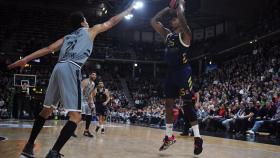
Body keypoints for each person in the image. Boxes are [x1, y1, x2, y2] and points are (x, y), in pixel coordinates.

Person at [9, 2, 136, 157]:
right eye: (86, 20)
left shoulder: (67, 37)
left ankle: (29, 146)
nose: (88, 22)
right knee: (76, 117)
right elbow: (111, 22)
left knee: (46, 110)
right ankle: (54, 152)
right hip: (71, 67)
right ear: (83, 22)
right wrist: (128, 10)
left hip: (58, 68)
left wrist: (25, 59)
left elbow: (48, 49)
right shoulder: (90, 30)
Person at [150, 0, 203, 155]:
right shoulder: (168, 34)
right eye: (172, 19)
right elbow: (153, 21)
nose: (172, 20)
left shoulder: (186, 34)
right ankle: (169, 136)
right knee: (168, 104)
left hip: (183, 71)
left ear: (181, 20)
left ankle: (198, 137)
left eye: (175, 18)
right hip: (171, 72)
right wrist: (167, 8)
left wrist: (180, 4)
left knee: (187, 105)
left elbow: (181, 15)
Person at [80, 71, 97, 137]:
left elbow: (90, 93)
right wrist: (85, 99)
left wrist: (90, 102)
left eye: (95, 75)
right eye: (93, 74)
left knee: (89, 115)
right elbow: (82, 91)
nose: (94, 76)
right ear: (89, 75)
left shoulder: (93, 83)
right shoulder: (85, 81)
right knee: (82, 116)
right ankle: (71, 130)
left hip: (86, 100)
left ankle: (86, 131)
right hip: (81, 99)